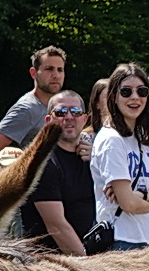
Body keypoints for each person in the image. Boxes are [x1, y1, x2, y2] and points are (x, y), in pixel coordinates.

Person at [90, 63, 149, 251]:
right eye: (126, 92)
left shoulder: (145, 141)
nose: (135, 97)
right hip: (120, 240)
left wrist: (140, 195)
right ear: (114, 96)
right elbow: (128, 204)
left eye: (141, 91)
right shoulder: (111, 139)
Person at [19, 92, 97, 255]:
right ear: (48, 120)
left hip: (93, 253)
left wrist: (97, 160)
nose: (69, 117)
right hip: (50, 262)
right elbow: (56, 226)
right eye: (61, 112)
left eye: (75, 111)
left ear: (84, 119)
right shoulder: (43, 163)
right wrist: (87, 262)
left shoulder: (93, 158)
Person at [0, 45, 67, 165]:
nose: (56, 75)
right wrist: (6, 178)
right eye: (49, 69)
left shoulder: (63, 107)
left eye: (60, 70)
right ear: (33, 73)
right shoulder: (27, 109)